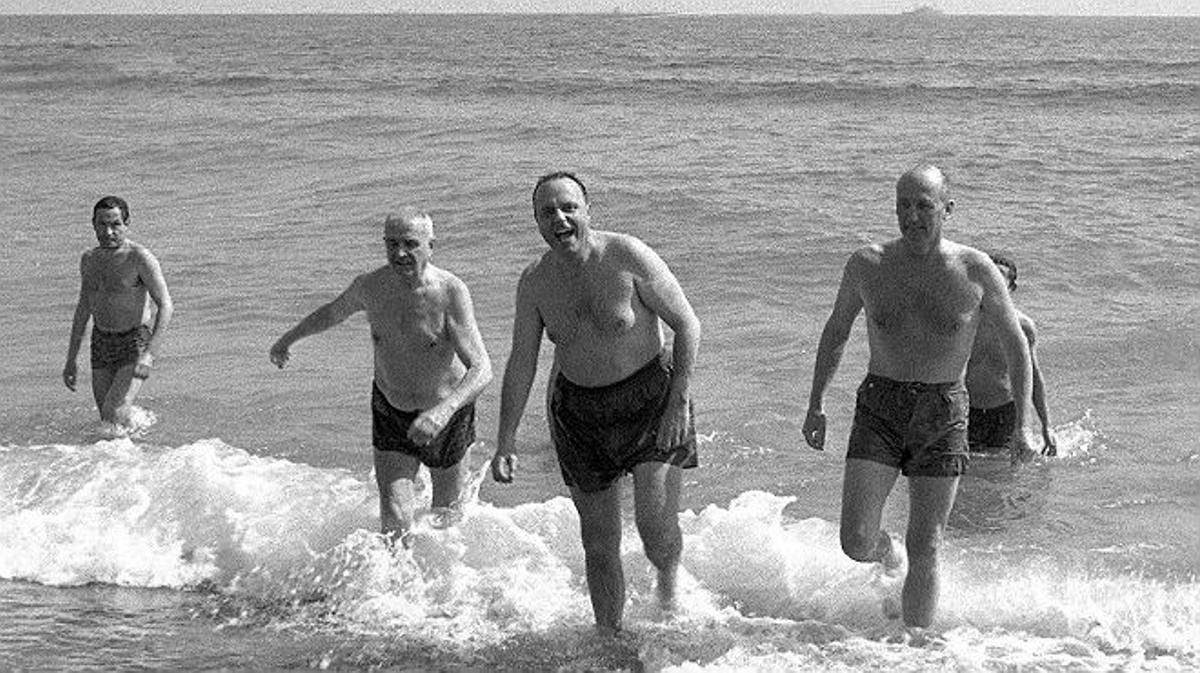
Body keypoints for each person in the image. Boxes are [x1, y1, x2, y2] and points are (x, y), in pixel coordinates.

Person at [801, 164, 1033, 631]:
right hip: (879, 406)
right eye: (903, 205)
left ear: (947, 209)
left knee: (928, 544)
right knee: (855, 540)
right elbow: (837, 331)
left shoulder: (974, 269)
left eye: (923, 206)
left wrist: (1023, 425)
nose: (912, 217)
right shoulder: (867, 264)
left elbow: (1015, 345)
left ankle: (917, 650)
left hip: (944, 410)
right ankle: (889, 555)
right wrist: (816, 402)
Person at [489, 172, 701, 635]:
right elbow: (522, 362)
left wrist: (678, 400)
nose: (560, 218)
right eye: (548, 212)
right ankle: (610, 637)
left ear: (588, 210)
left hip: (651, 402)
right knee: (599, 545)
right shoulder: (535, 282)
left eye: (569, 207)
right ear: (538, 223)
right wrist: (505, 438)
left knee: (655, 535)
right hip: (580, 416)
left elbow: (687, 325)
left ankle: (669, 585)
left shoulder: (626, 256)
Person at [269, 207, 492, 543]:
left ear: (431, 246)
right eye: (391, 244)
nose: (399, 253)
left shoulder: (450, 292)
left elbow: (482, 369)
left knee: (447, 517)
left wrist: (442, 412)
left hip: (446, 415)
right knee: (394, 513)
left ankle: (443, 590)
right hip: (391, 409)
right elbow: (333, 312)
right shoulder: (370, 286)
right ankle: (392, 591)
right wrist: (289, 338)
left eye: (410, 244)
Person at [63, 196, 174, 427]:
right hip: (101, 342)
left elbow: (165, 305)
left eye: (115, 224)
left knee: (113, 415)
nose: (109, 232)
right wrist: (71, 360)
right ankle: (133, 455)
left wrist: (150, 354)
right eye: (102, 224)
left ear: (127, 223)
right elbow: (83, 309)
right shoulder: (89, 259)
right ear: (93, 224)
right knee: (108, 419)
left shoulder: (139, 258)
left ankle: (132, 454)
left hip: (135, 342)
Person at [966, 253, 1056, 456]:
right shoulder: (965, 322)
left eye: (999, 278)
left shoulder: (1023, 327)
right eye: (989, 278)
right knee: (965, 477)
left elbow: (1033, 378)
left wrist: (1045, 426)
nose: (992, 284)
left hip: (1006, 411)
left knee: (1005, 478)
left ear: (1011, 288)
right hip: (966, 411)